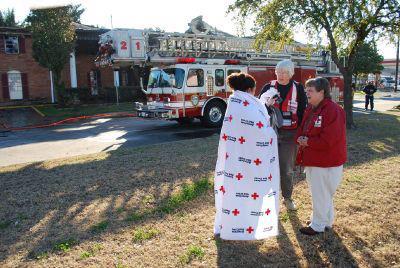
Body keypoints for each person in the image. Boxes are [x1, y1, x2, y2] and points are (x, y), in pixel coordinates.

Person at [214, 73, 280, 240]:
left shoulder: (234, 101)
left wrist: (264, 104)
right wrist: (271, 131)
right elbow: (260, 130)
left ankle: (231, 223)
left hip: (234, 158)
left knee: (235, 190)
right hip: (250, 159)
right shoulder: (246, 104)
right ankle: (247, 224)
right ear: (250, 89)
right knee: (250, 191)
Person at [295, 77, 347, 235]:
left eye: (310, 90)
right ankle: (327, 221)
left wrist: (307, 141)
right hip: (315, 160)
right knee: (323, 194)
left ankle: (317, 225)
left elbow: (329, 140)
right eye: (306, 90)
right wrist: (301, 138)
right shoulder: (311, 108)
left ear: (322, 92)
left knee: (320, 194)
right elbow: (303, 128)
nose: (307, 93)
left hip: (326, 162)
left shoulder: (333, 110)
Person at [259, 59, 307, 210]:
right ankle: (267, 197)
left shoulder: (298, 89)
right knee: (267, 166)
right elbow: (259, 108)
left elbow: (302, 111)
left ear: (291, 73)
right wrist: (267, 105)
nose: (281, 75)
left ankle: (287, 198)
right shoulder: (268, 87)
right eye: (279, 72)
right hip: (270, 133)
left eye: (285, 72)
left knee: (286, 168)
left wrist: (300, 132)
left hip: (290, 134)